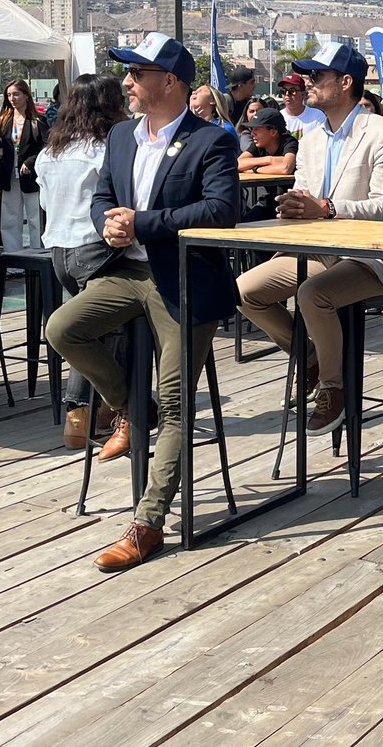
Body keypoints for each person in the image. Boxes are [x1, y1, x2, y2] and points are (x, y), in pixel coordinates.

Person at [45, 32, 240, 571]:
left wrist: (143, 223)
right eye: (128, 73)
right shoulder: (121, 136)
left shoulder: (211, 140)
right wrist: (108, 224)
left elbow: (222, 210)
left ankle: (148, 522)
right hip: (127, 271)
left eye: (136, 74)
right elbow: (103, 196)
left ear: (169, 81)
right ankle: (135, 408)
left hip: (185, 279)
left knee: (177, 400)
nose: (126, 82)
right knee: (62, 329)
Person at [236, 43, 383, 436]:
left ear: (345, 83)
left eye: (316, 76)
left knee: (312, 294)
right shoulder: (311, 137)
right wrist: (293, 206)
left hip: (368, 254)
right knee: (241, 291)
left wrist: (326, 208)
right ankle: (308, 357)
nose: (307, 83)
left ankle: (333, 387)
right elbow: (305, 194)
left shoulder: (381, 132)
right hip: (317, 250)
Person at [37, 73, 128, 448]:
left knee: (82, 328)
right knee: (116, 321)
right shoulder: (107, 147)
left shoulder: (50, 151)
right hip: (95, 246)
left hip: (59, 250)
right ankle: (100, 408)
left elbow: (45, 204)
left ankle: (82, 417)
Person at [0, 79, 48, 254]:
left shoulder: (37, 120)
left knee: (35, 218)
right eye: (9, 95)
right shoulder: (4, 119)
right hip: (9, 176)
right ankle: (12, 255)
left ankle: (37, 254)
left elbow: (47, 145)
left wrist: (30, 162)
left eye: (16, 94)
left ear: (26, 95)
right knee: (10, 219)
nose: (12, 98)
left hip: (30, 177)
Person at [238, 107, 299, 175]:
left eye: (257, 129)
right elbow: (238, 163)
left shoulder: (289, 142)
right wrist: (269, 160)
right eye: (252, 129)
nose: (252, 133)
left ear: (273, 132)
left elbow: (286, 168)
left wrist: (255, 170)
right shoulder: (258, 144)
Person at [278, 72, 326, 141]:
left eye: (292, 91)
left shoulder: (317, 117)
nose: (287, 94)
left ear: (303, 94)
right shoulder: (278, 117)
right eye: (284, 91)